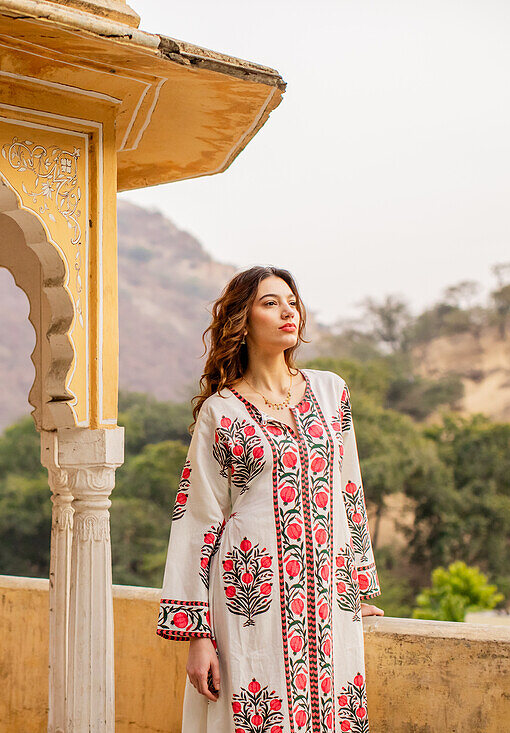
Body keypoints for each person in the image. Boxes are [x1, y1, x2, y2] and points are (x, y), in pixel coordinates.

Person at [156, 266, 383, 733]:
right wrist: (198, 637)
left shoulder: (330, 391)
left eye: (292, 302)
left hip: (327, 600)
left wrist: (356, 586)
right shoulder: (221, 411)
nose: (287, 312)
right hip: (249, 602)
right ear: (242, 319)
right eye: (270, 303)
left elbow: (349, 490)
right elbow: (198, 518)